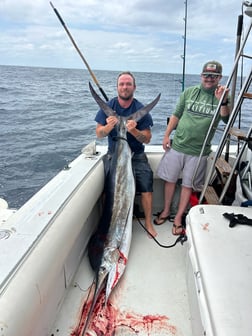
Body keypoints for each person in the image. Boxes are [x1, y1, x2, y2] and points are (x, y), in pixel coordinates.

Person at [154, 61, 230, 235]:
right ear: (201, 76)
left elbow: (226, 119)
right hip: (178, 145)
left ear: (219, 77)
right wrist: (166, 135)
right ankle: (166, 211)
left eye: (214, 75)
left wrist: (223, 101)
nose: (209, 78)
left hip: (199, 151)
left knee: (188, 186)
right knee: (170, 181)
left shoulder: (222, 96)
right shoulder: (189, 92)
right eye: (206, 75)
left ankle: (179, 217)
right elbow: (176, 114)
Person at [95, 71, 157, 237]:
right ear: (117, 88)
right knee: (107, 191)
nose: (125, 87)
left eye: (128, 84)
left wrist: (134, 130)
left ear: (134, 87)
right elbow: (99, 134)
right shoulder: (109, 107)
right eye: (122, 84)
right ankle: (108, 221)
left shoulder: (140, 109)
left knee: (147, 189)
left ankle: (149, 224)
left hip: (136, 155)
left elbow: (147, 139)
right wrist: (108, 127)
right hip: (114, 154)